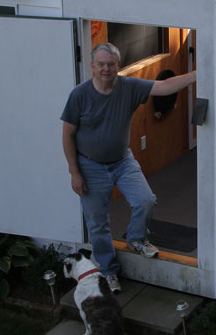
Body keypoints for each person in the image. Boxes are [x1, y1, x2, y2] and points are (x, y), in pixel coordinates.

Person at [61, 42, 197, 293]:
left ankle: (136, 238)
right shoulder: (79, 95)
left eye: (111, 64)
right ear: (92, 67)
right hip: (89, 166)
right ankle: (108, 271)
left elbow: (165, 86)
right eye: (101, 64)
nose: (106, 69)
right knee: (98, 223)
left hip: (122, 161)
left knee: (145, 200)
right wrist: (74, 172)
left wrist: (199, 74)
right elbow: (67, 135)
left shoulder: (129, 86)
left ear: (118, 66)